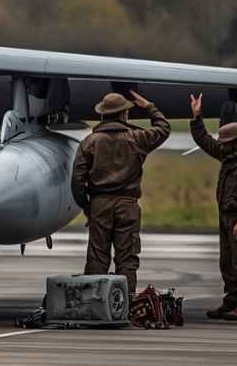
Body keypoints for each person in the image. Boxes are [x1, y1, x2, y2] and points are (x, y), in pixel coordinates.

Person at [71, 91, 171, 293]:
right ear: (123, 115)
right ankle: (125, 304)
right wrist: (149, 106)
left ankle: (94, 304)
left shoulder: (89, 142)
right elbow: (163, 128)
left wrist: (88, 207)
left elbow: (77, 181)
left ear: (103, 115)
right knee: (127, 258)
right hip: (127, 205)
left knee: (97, 257)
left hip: (99, 204)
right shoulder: (137, 137)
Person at [189, 93, 237, 321]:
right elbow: (205, 141)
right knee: (227, 261)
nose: (222, 147)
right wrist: (196, 117)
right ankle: (231, 301)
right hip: (227, 218)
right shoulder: (230, 155)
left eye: (226, 143)